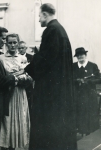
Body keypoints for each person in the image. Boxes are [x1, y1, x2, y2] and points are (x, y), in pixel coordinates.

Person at [24, 3, 77, 150]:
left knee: (47, 128)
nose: (39, 20)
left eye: (40, 16)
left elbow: (45, 60)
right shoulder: (60, 30)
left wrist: (28, 67)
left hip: (51, 91)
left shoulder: (51, 31)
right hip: (60, 89)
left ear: (46, 15)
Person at [0, 33, 32, 150]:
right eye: (10, 43)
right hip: (7, 94)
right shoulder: (1, 58)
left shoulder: (23, 58)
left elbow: (27, 76)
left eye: (15, 42)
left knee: (19, 119)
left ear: (18, 43)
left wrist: (19, 77)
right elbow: (2, 77)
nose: (12, 45)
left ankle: (15, 146)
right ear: (6, 44)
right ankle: (5, 146)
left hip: (19, 93)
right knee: (7, 121)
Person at [73, 47, 101, 136]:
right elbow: (68, 78)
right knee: (79, 114)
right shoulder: (73, 66)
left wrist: (89, 81)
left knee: (91, 115)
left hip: (90, 95)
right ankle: (81, 133)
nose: (80, 57)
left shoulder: (93, 66)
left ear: (85, 55)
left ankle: (90, 135)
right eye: (78, 56)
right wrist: (76, 81)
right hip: (78, 95)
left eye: (82, 55)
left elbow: (99, 79)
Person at [18, 41, 34, 113]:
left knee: (29, 101)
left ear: (26, 48)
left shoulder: (31, 57)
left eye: (22, 48)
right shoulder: (16, 57)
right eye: (19, 48)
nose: (21, 50)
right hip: (19, 82)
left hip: (29, 83)